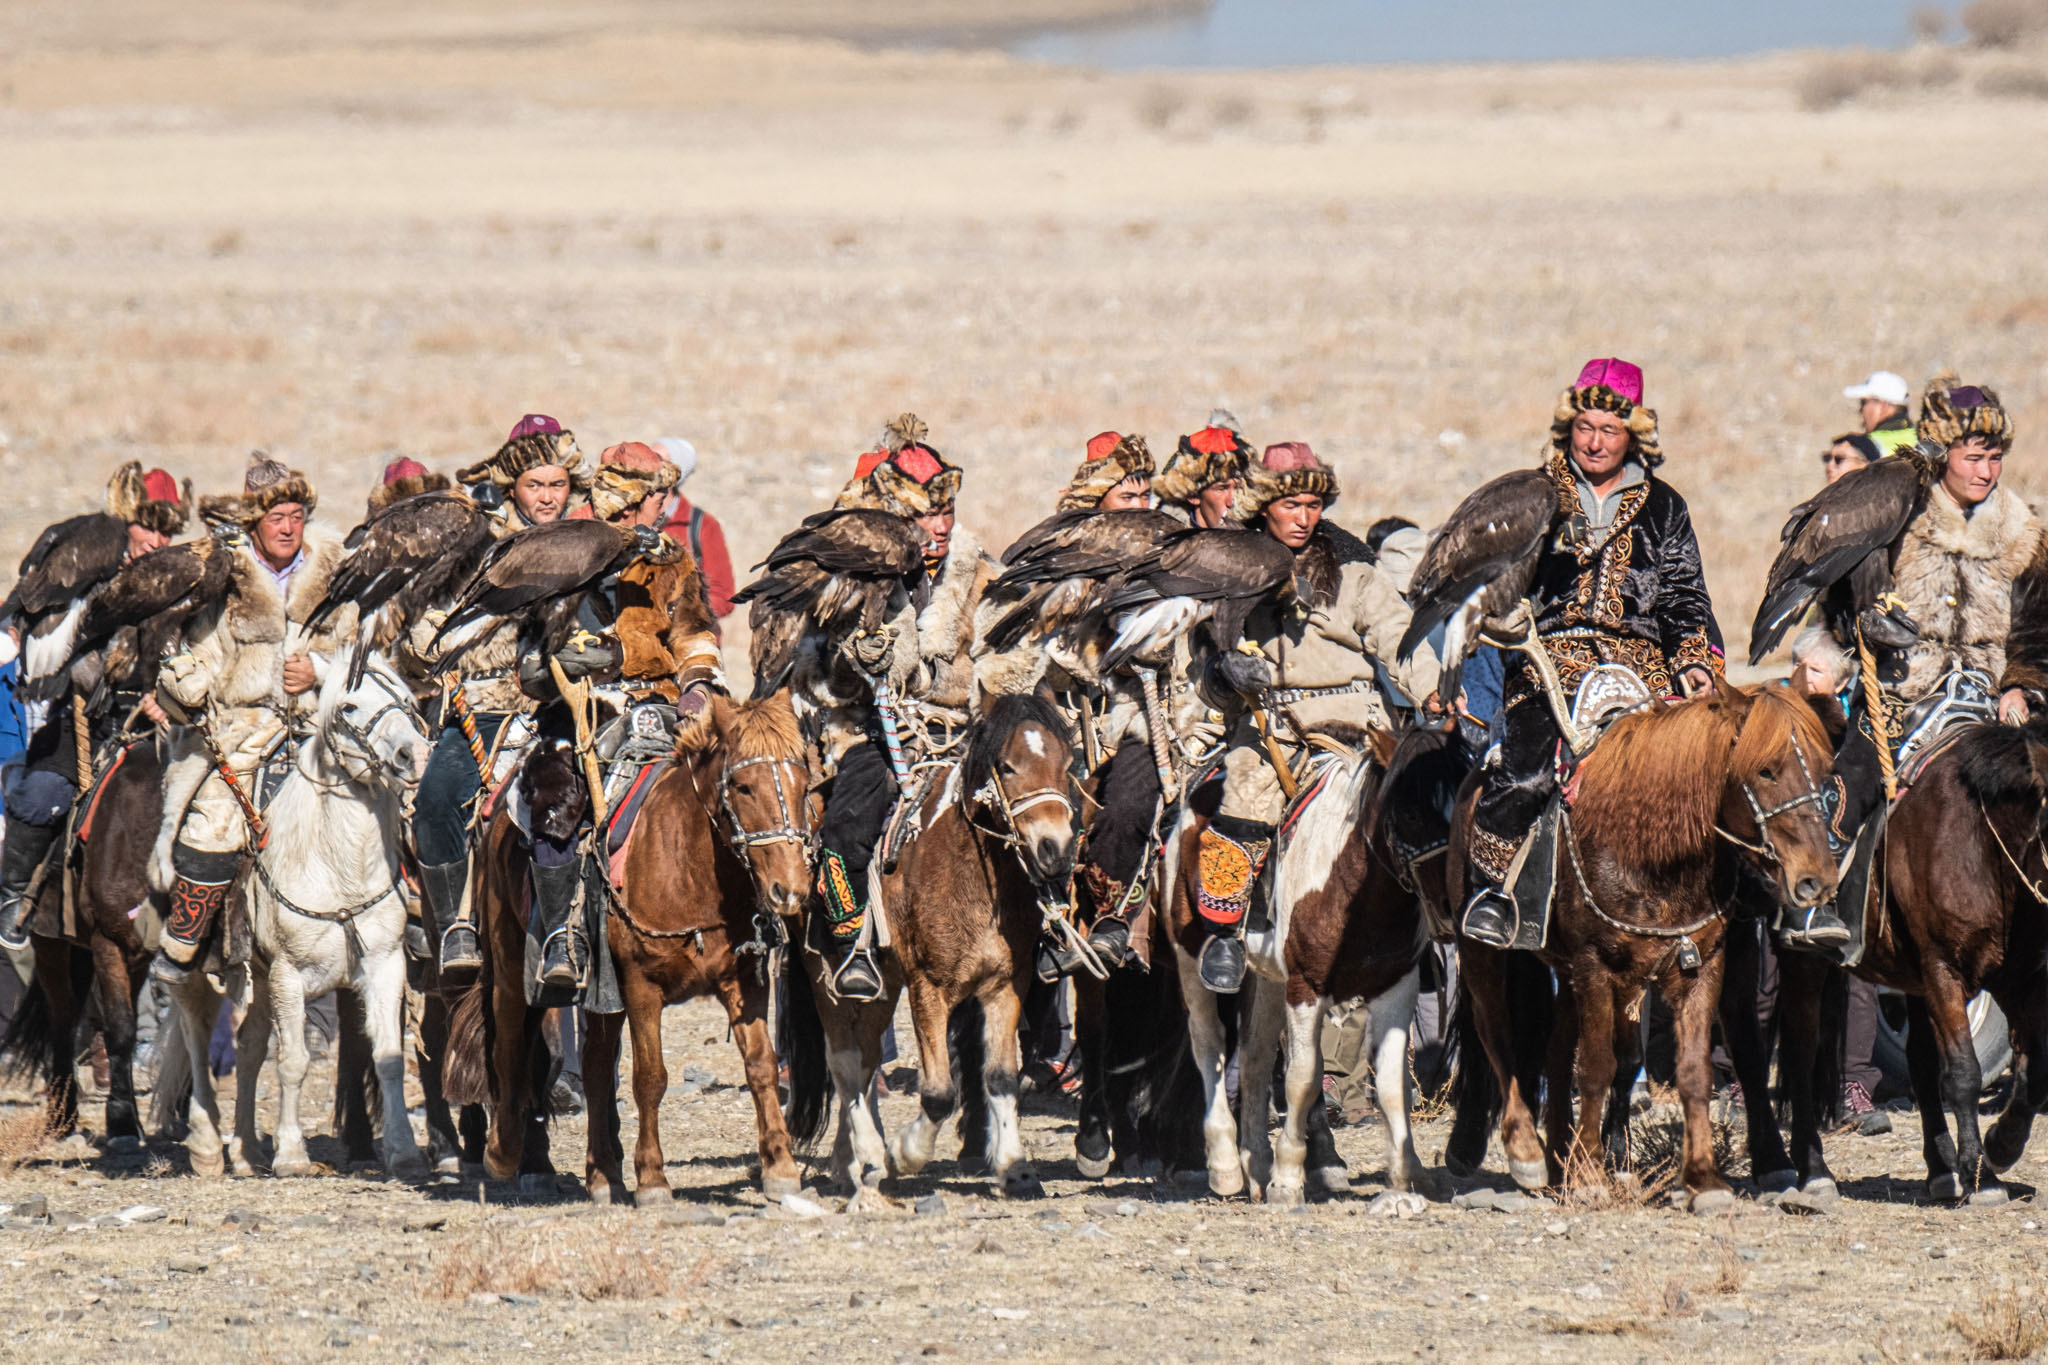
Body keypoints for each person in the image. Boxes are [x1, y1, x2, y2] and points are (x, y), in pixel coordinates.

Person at [1461, 358, 1722, 951]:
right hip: (1549, 659)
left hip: (1641, 667)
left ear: (1634, 435)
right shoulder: (1534, 493)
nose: (1595, 441)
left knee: (1695, 782)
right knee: (1524, 774)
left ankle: (1695, 911)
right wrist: (1505, 622)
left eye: (1609, 429)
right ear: (1567, 425)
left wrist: (1692, 660)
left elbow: (1683, 594)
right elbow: (1499, 580)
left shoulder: (1665, 507)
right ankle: (1491, 892)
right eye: (1585, 426)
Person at [1805, 374, 2040, 946]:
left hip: (1991, 701)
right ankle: (1815, 904)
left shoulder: (2024, 532)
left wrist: (2022, 686)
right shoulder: (1894, 515)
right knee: (1851, 784)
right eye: (1974, 457)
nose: (1987, 471)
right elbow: (1837, 603)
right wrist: (1865, 624)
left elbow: (2038, 630)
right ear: (1943, 453)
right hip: (1899, 694)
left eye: (1996, 458)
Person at [1193, 442, 1438, 990]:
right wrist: (1225, 673)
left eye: (1312, 504)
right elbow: (1202, 657)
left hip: (1362, 724)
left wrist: (1433, 688)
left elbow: (1397, 633)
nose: (1304, 518)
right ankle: (1225, 934)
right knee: (1244, 802)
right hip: (1276, 729)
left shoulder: (1353, 567)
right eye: (1290, 506)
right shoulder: (1228, 565)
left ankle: (1430, 933)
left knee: (1419, 811)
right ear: (1263, 504)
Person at [804, 416, 991, 1001]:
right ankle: (852, 941)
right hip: (877, 735)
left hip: (966, 732)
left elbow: (1002, 662)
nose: (937, 527)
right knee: (847, 823)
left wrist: (948, 683)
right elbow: (815, 675)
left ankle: (1052, 929)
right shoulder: (855, 580)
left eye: (946, 512)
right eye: (921, 516)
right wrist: (853, 662)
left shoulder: (982, 574)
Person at [148, 454, 353, 977]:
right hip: (242, 734)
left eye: (295, 515)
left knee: (386, 809)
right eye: (275, 518)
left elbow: (364, 654)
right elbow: (194, 661)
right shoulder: (225, 581)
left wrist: (322, 672)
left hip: (321, 728)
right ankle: (186, 943)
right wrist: (185, 684)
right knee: (212, 824)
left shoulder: (338, 574)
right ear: (253, 524)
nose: (287, 527)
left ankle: (410, 928)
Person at [424, 415, 589, 982]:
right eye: (534, 486)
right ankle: (453, 927)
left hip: (566, 708)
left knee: (562, 800)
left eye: (557, 485)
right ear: (512, 487)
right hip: (485, 702)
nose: (547, 497)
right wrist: (436, 645)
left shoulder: (590, 542)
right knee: (437, 797)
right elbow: (430, 621)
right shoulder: (472, 545)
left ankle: (563, 936)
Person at [0, 465, 192, 952]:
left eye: (167, 530)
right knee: (40, 795)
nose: (156, 540)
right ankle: (14, 898)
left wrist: (168, 697)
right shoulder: (92, 567)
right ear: (128, 521)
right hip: (83, 722)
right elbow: (57, 646)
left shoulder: (182, 584)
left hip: (156, 728)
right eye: (148, 526)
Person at [651, 437, 737, 627]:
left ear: (676, 470)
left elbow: (724, 596)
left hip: (689, 642)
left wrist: (680, 613)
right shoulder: (630, 518)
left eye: (657, 458)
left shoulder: (702, 525)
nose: (648, 462)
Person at [1155, 411, 1253, 529]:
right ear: (1193, 496)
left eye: (1239, 488)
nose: (1232, 502)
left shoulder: (1263, 539)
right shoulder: (1168, 544)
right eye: (1222, 488)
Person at [1844, 370, 1918, 456]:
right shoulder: (1921, 439)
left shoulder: (1866, 447)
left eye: (1864, 402)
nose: (1860, 410)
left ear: (1884, 406)